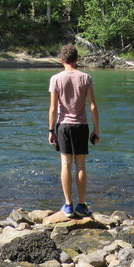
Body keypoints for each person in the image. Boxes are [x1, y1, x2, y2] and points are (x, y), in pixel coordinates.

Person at [48, 44, 100, 218]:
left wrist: (50, 130)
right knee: (81, 165)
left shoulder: (55, 79)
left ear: (61, 60)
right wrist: (96, 129)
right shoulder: (86, 77)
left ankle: (68, 205)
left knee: (65, 164)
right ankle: (81, 205)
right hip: (81, 126)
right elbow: (92, 105)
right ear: (77, 59)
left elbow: (53, 108)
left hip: (63, 125)